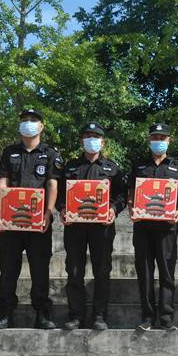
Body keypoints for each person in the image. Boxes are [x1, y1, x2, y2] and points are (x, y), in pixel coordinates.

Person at [0, 108, 63, 330]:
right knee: (8, 269)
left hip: (39, 222)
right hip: (11, 221)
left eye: (33, 120)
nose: (28, 123)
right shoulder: (9, 152)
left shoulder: (50, 154)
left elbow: (52, 184)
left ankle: (42, 313)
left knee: (40, 270)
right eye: (24, 120)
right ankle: (5, 313)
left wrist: (49, 213)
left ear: (41, 126)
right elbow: (2, 182)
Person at [57, 122, 127, 331]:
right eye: (87, 136)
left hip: (102, 227)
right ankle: (76, 316)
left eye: (95, 136)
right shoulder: (70, 167)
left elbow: (122, 195)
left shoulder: (112, 168)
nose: (91, 140)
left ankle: (99, 315)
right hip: (75, 227)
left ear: (103, 142)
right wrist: (62, 209)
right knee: (74, 271)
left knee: (102, 271)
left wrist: (114, 209)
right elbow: (59, 194)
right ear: (81, 141)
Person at [128, 123, 178, 331]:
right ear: (149, 140)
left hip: (167, 227)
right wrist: (131, 208)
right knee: (145, 272)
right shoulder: (139, 165)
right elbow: (131, 192)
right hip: (143, 226)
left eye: (162, 138)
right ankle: (147, 317)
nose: (158, 141)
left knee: (167, 272)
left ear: (169, 140)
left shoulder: (177, 165)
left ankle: (166, 317)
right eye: (155, 137)